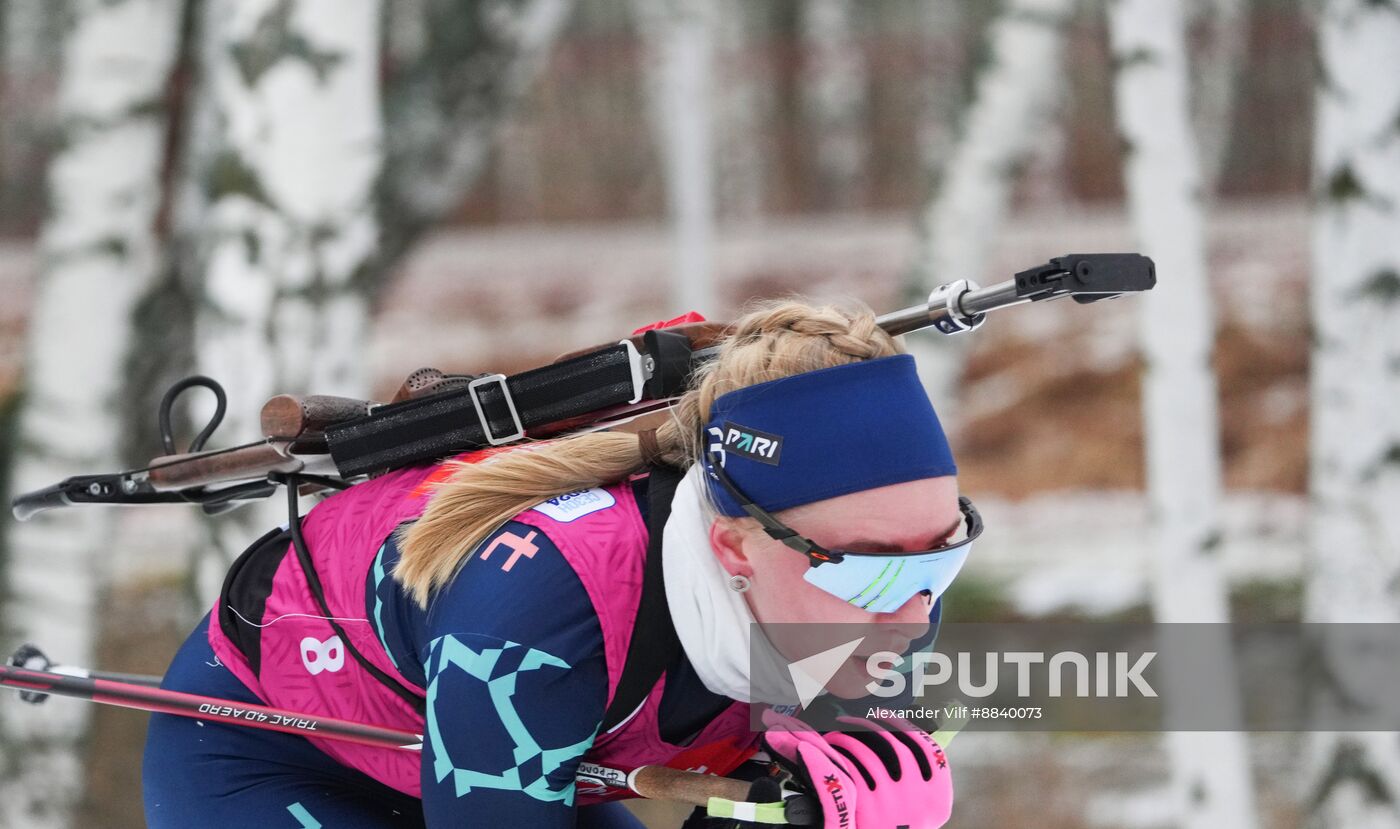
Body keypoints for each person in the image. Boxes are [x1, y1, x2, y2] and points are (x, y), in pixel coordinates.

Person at [142, 299, 968, 828]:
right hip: (270, 755)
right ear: (733, 546)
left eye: (944, 560)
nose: (913, 616)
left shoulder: (879, 610)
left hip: (530, 755)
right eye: (869, 570)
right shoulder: (547, 604)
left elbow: (770, 793)